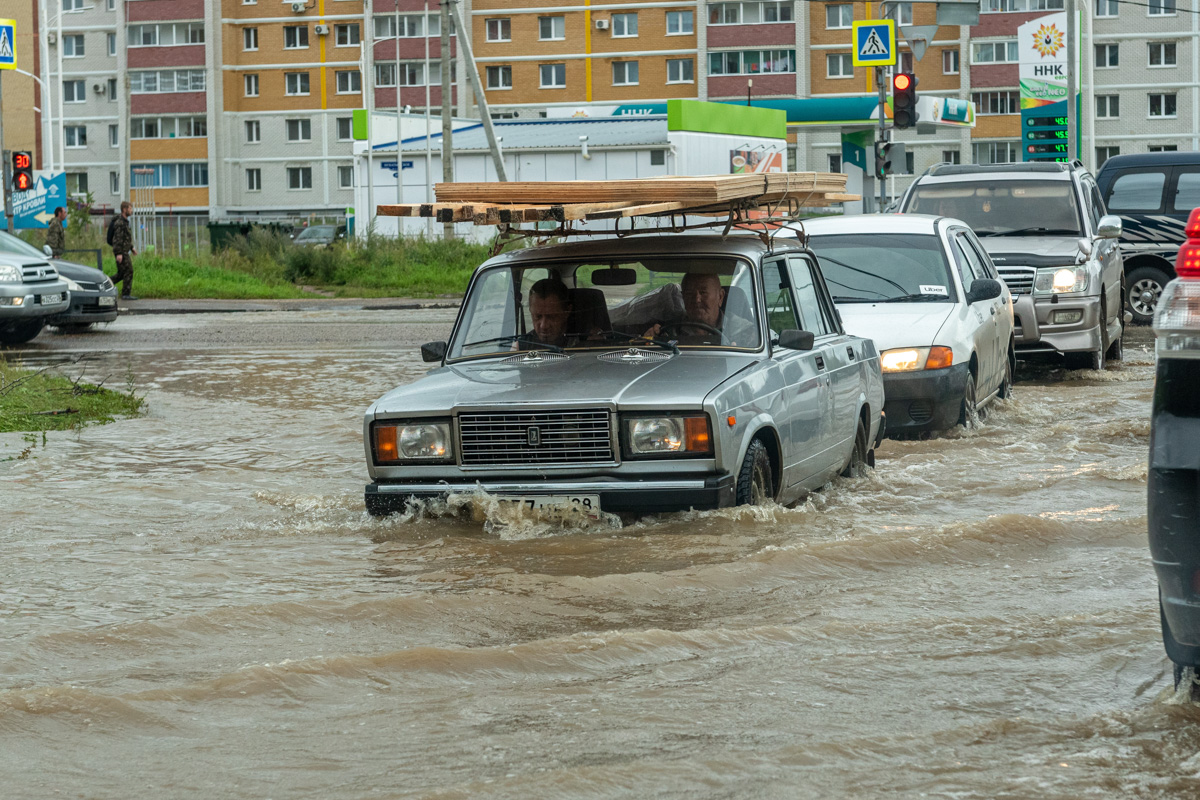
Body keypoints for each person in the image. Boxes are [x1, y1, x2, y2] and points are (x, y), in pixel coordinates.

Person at [643, 272, 727, 344]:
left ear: (720, 297)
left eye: (703, 292)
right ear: (683, 297)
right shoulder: (670, 330)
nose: (697, 299)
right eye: (690, 293)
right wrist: (650, 340)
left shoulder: (736, 330)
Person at [525, 278, 574, 347]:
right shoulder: (521, 346)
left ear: (567, 312)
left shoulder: (585, 342)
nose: (543, 326)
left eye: (552, 317)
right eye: (537, 316)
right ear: (530, 310)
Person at [110, 201, 138, 300]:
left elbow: (125, 238)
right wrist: (119, 253)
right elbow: (118, 239)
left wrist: (131, 247)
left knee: (122, 274)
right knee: (129, 270)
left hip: (124, 251)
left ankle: (105, 284)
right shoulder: (120, 223)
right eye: (130, 208)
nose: (131, 211)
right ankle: (126, 294)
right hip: (121, 252)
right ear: (124, 209)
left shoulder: (125, 222)